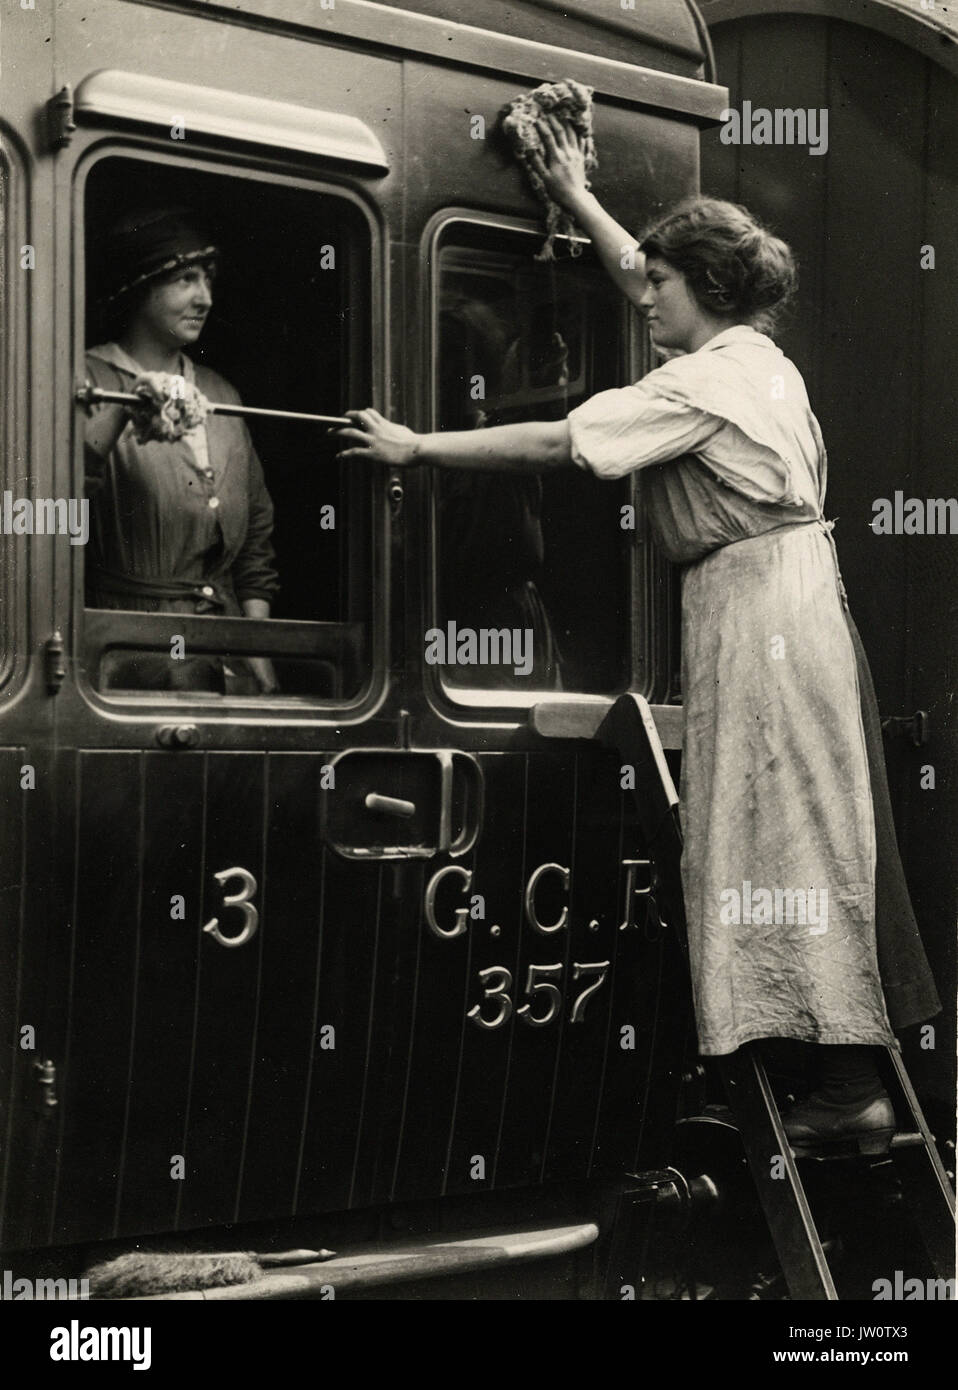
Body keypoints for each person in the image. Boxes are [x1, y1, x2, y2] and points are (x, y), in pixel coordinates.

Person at [337, 116, 941, 1149]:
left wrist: (415, 445)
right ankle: (834, 1070)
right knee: (787, 821)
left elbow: (561, 440)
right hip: (773, 597)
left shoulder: (701, 383)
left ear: (699, 289)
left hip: (760, 613)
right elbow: (642, 272)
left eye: (660, 283)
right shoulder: (755, 358)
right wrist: (573, 192)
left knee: (778, 827)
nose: (643, 293)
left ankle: (845, 1085)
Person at [84, 207, 279, 694]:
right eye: (185, 280)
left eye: (208, 280)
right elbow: (49, 510)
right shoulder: (86, 381)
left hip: (228, 653)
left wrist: (260, 656)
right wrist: (123, 415)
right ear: (139, 287)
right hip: (126, 658)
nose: (205, 298)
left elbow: (254, 538)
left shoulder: (222, 393)